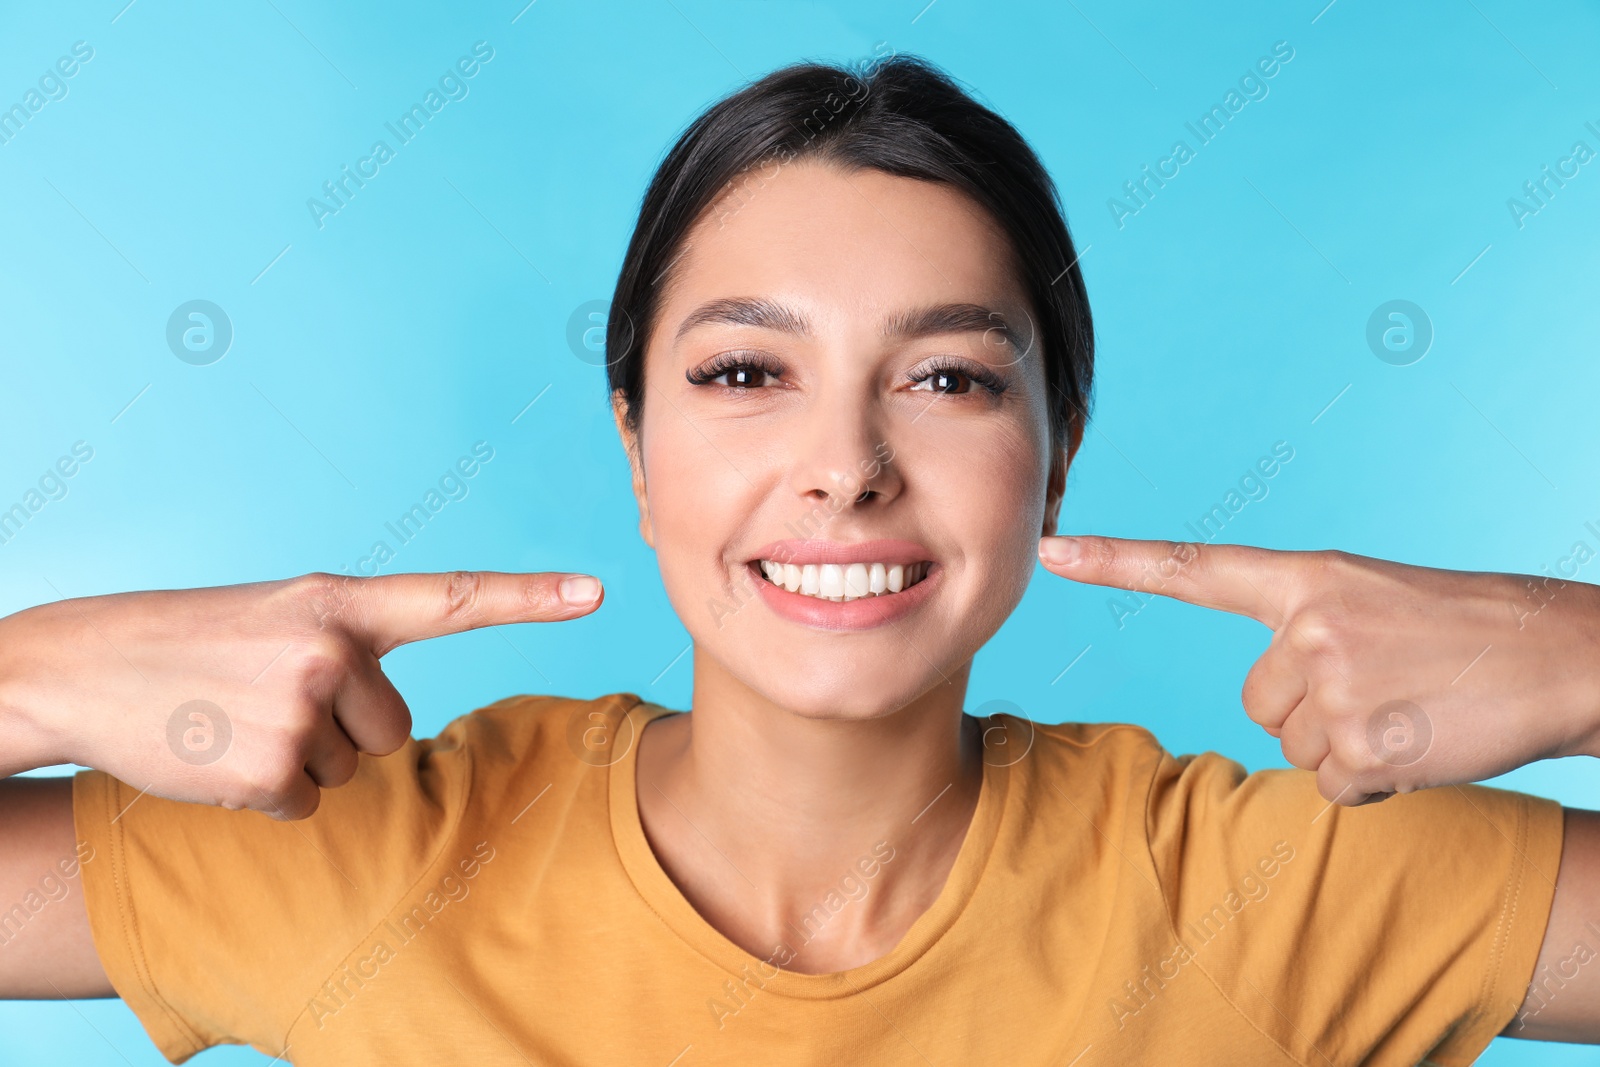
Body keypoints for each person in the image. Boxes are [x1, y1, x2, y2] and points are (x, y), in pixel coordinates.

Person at [1, 54, 1596, 1066]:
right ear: (633, 440)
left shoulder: (1282, 900)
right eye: (747, 373)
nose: (846, 465)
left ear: (1060, 449)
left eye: (953, 377)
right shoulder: (357, 862)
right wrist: (37, 674)